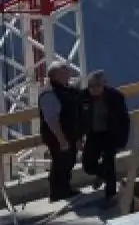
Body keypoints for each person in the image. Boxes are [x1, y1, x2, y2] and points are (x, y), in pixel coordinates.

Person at [80, 71, 130, 203]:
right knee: (88, 165)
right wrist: (78, 138)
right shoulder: (83, 97)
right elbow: (77, 119)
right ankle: (103, 175)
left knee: (109, 162)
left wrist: (122, 141)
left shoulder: (115, 97)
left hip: (111, 134)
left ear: (103, 85)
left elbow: (124, 120)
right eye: (92, 86)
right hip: (93, 134)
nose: (94, 89)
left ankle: (111, 195)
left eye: (97, 86)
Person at [38, 62, 82, 200]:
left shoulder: (67, 90)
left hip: (70, 133)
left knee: (69, 160)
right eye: (65, 72)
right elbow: (51, 119)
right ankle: (57, 192)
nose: (69, 74)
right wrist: (61, 139)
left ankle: (65, 188)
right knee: (60, 161)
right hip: (56, 135)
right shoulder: (49, 93)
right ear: (57, 75)